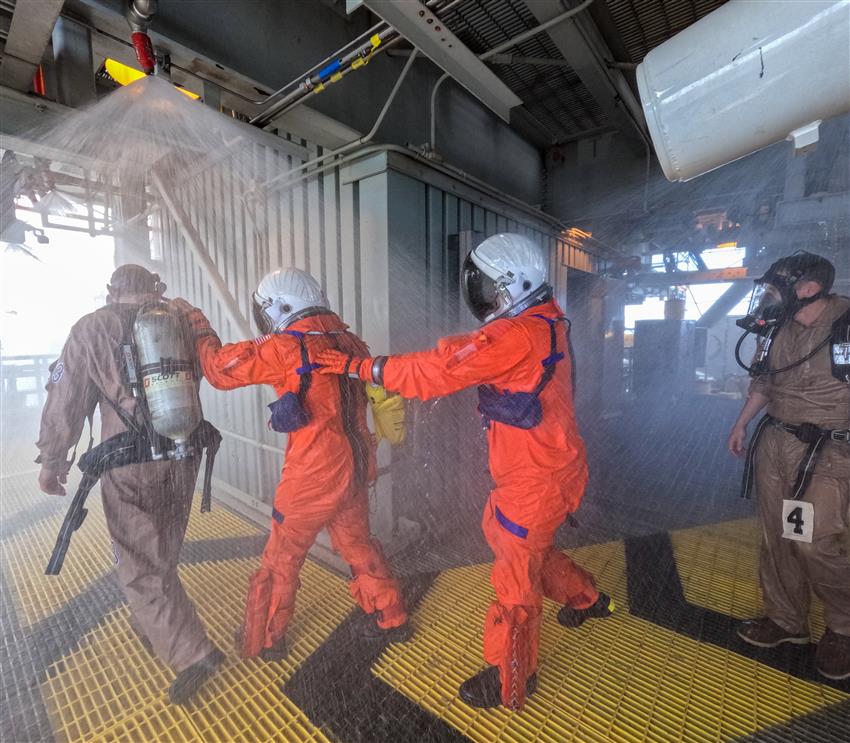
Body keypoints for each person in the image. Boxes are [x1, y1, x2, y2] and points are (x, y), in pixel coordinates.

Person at [315, 233, 613, 711]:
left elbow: (438, 369)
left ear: (512, 286)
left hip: (536, 478)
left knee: (515, 579)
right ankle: (587, 598)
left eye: (488, 287)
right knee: (515, 543)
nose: (483, 298)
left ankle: (512, 677)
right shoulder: (546, 321)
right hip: (546, 469)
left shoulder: (517, 335)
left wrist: (365, 369)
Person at [174, 267, 409, 662]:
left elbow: (218, 371)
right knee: (357, 546)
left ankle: (268, 639)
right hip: (355, 467)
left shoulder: (285, 347)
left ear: (280, 307)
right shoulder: (351, 341)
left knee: (282, 558)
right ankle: (393, 617)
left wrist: (198, 325)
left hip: (312, 477)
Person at [36, 264, 223, 705]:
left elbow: (66, 400)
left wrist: (52, 461)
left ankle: (193, 653)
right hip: (184, 451)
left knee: (139, 562)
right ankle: (153, 623)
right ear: (154, 289)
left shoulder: (92, 328)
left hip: (130, 462)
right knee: (163, 547)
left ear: (111, 292)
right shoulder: (176, 320)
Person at [728, 251, 850, 681]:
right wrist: (742, 423)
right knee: (776, 535)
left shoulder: (846, 324)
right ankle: (786, 620)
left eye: (776, 287)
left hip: (828, 451)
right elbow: (764, 380)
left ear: (808, 289)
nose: (768, 294)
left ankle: (843, 626)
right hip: (775, 441)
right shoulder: (777, 326)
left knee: (813, 539)